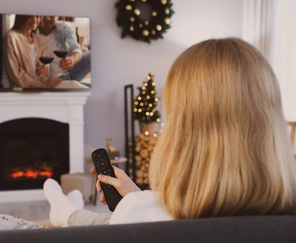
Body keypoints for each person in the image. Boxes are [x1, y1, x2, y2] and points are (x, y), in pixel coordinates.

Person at [44, 37, 296, 227]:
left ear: (183, 130)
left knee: (104, 223)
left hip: (135, 218)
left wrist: (136, 202)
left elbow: (140, 217)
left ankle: (66, 213)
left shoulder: (140, 214)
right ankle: (68, 210)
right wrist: (138, 196)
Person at [4, 15, 61, 88]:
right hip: (21, 90)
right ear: (21, 17)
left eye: (37, 17)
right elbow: (16, 74)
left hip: (39, 89)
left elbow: (44, 73)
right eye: (30, 16)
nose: (35, 20)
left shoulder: (40, 39)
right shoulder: (12, 37)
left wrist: (41, 73)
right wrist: (43, 85)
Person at [37, 16, 91, 82]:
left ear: (57, 17)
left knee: (93, 55)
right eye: (45, 14)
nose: (48, 18)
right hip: (44, 80)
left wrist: (72, 60)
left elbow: (75, 48)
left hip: (66, 75)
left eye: (52, 16)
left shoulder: (64, 28)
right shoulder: (32, 29)